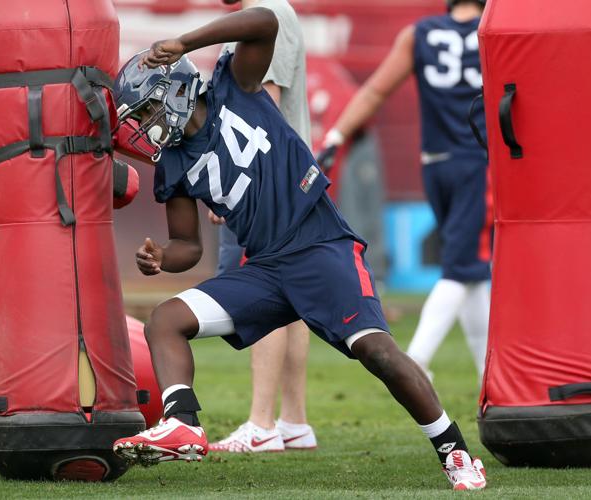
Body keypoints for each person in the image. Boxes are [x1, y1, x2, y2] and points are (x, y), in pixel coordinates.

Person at [111, 7, 487, 490]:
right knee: (167, 318)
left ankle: (454, 450)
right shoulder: (175, 166)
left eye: (145, 110)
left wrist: (185, 41)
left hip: (319, 247)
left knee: (376, 351)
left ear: (174, 91)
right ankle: (183, 422)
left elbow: (265, 20)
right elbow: (187, 244)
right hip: (264, 268)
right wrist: (164, 258)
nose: (144, 125)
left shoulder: (234, 86)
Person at [316, 0, 490, 381]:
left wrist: (336, 135)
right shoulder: (493, 33)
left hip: (436, 163)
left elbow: (375, 91)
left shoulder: (419, 34)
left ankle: (489, 376)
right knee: (463, 268)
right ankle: (415, 362)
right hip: (479, 162)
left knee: (474, 271)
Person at [208, 0, 316, 454]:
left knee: (262, 293)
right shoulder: (273, 11)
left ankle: (261, 423)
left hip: (266, 184)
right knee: (290, 301)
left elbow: (262, 105)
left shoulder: (268, 12)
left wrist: (232, 180)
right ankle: (293, 422)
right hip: (286, 181)